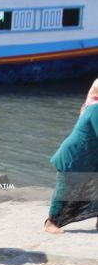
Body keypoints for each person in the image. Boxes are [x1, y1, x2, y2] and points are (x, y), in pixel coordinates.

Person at [45, 78, 98, 233]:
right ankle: (50, 223)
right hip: (75, 155)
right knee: (65, 189)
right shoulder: (95, 109)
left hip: (90, 154)